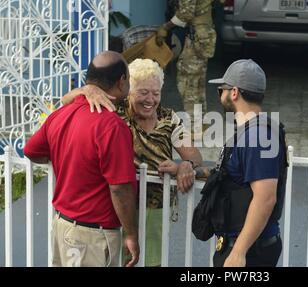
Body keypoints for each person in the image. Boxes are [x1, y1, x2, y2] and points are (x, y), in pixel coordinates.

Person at [61, 58, 203, 267]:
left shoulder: (169, 119)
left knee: (152, 260)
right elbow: (65, 101)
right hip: (118, 206)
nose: (150, 100)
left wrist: (186, 165)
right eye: (143, 92)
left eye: (156, 93)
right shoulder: (113, 111)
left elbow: (194, 156)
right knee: (119, 260)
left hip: (156, 208)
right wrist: (86, 91)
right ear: (128, 90)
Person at [24, 51, 140, 267]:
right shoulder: (112, 126)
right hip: (92, 237)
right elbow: (120, 188)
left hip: (63, 226)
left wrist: (64, 159)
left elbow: (32, 151)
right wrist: (131, 234)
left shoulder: (61, 114)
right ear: (121, 81)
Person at [206, 59, 288, 267]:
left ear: (234, 93)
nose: (219, 95)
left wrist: (239, 252)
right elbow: (236, 179)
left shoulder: (258, 136)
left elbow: (265, 198)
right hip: (242, 246)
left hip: (249, 251)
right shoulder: (250, 132)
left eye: (221, 89)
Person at [155, 0, 217, 132]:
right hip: (203, 34)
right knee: (198, 81)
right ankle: (201, 122)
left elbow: (186, 13)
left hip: (197, 36)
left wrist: (165, 27)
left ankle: (195, 126)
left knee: (187, 81)